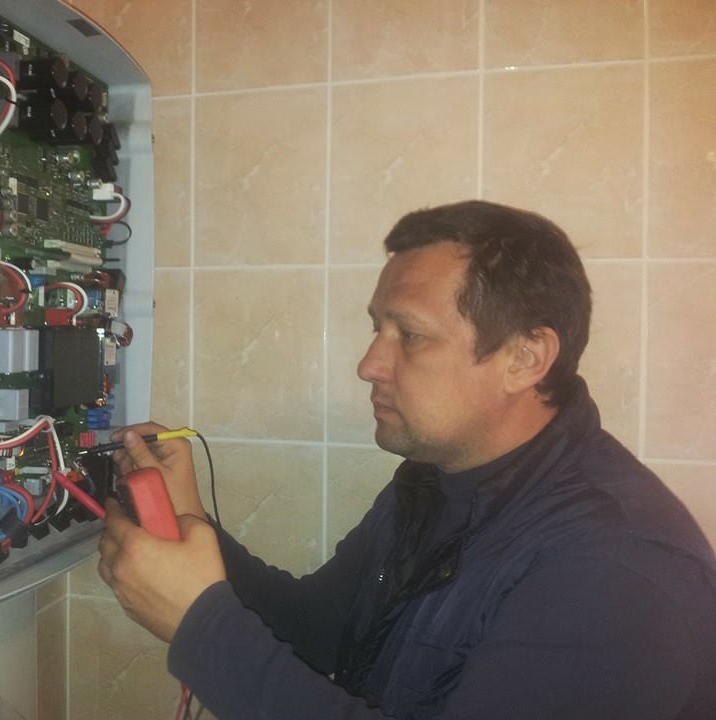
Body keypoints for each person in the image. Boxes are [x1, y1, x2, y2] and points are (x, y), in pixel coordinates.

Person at [97, 200, 716, 719]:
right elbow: (315, 630)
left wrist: (203, 627)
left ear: (525, 359)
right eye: (378, 329)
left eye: (410, 335)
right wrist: (190, 520)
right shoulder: (433, 482)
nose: (369, 364)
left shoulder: (615, 571)